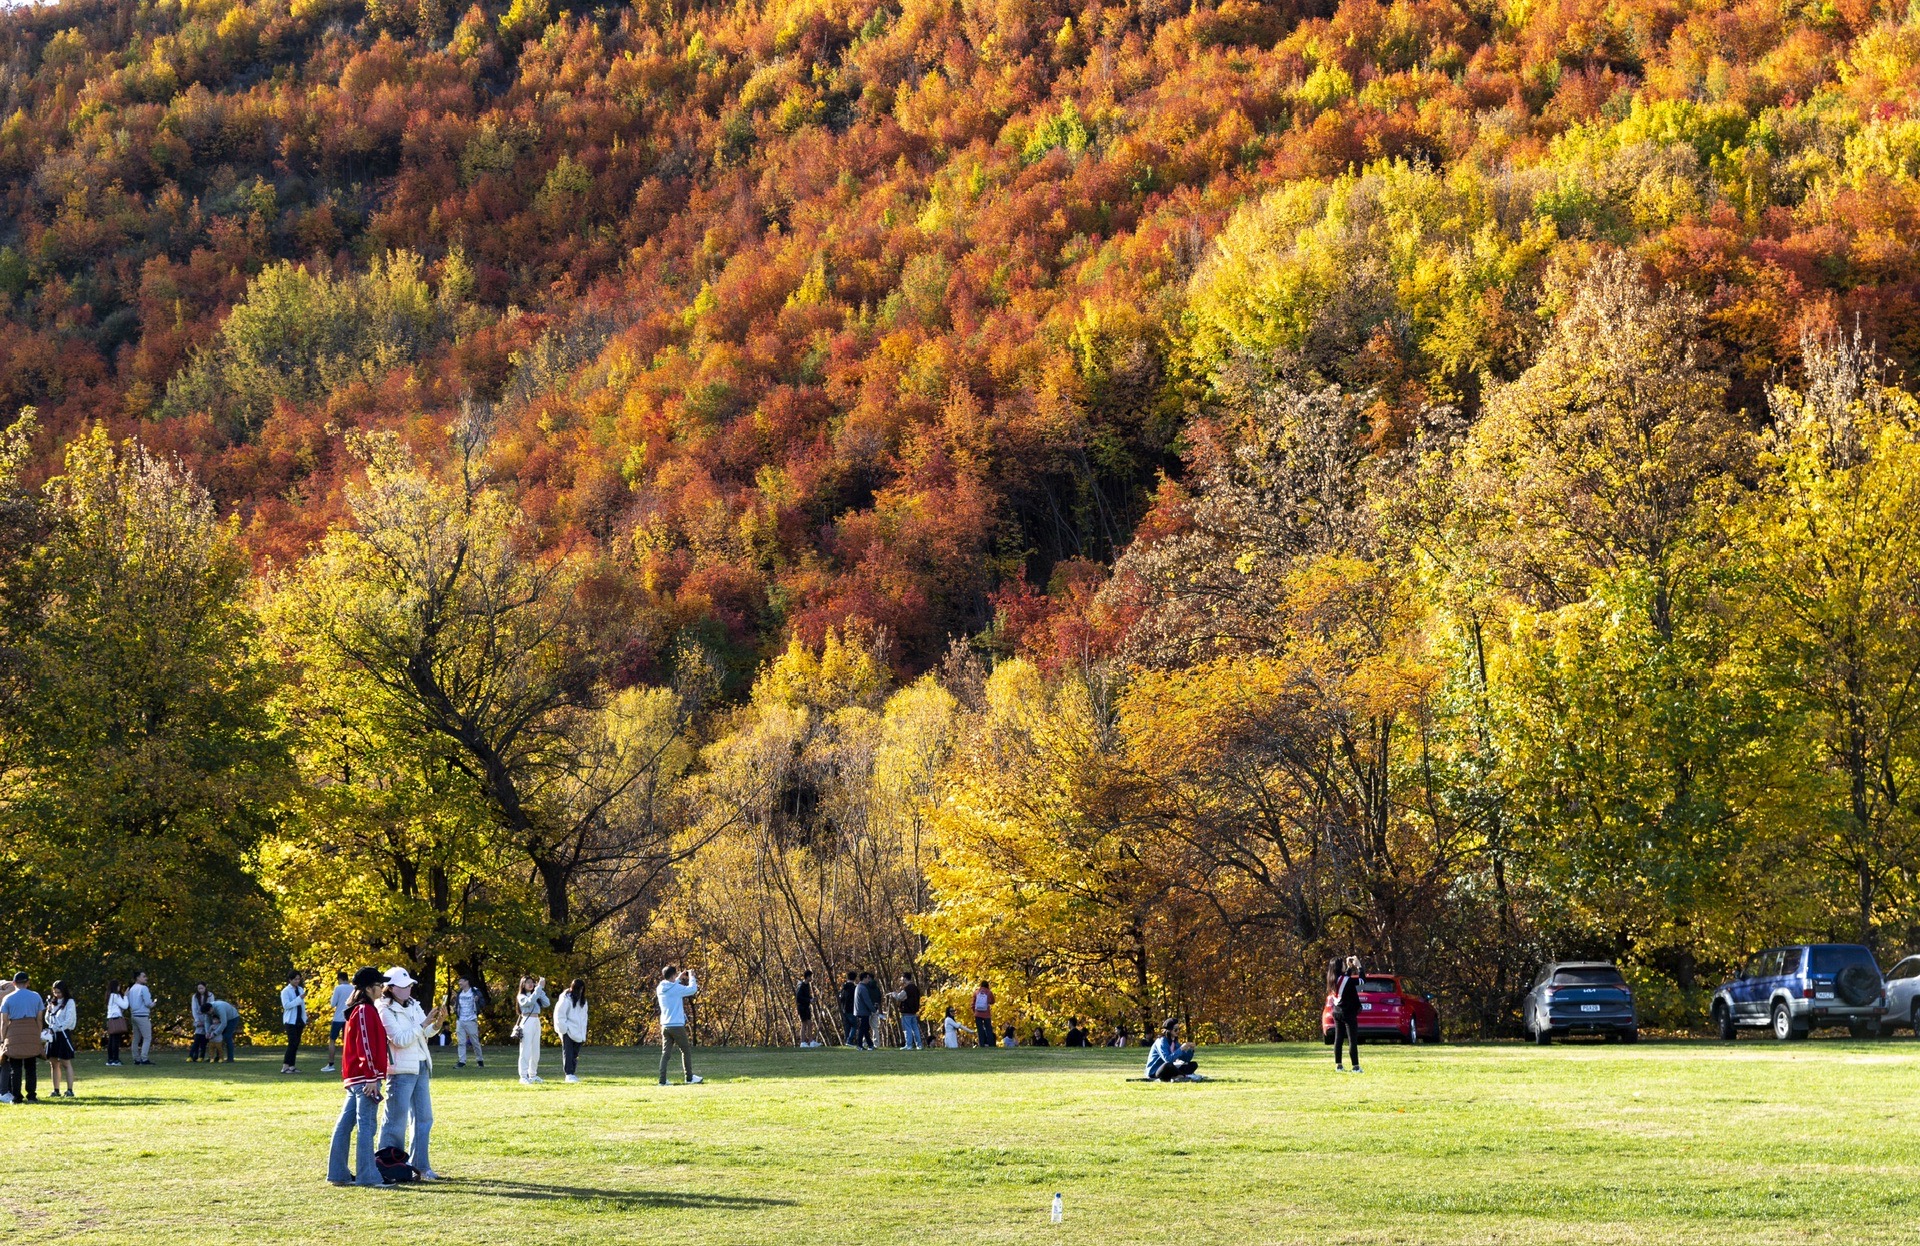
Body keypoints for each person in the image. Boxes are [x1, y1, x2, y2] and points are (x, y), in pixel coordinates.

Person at [376, 967, 443, 1181]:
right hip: (401, 1070)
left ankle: (421, 1167)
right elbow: (400, 1039)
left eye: (410, 985)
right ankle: (388, 1167)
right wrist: (423, 1024)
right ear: (392, 988)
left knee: (424, 1118)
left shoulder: (414, 1005)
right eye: (405, 986)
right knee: (395, 1120)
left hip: (421, 1065)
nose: (409, 989)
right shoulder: (384, 1009)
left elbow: (424, 1033)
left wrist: (437, 1024)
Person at [328, 967, 389, 1187]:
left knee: (345, 1124)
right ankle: (368, 1176)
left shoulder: (363, 1009)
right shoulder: (364, 1010)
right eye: (379, 984)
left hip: (359, 1077)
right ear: (368, 988)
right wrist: (372, 1076)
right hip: (364, 1078)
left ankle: (338, 1173)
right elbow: (365, 1045)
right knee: (367, 1126)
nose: (382, 987)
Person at [1, 972, 45, 1103]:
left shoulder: (8, 998)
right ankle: (31, 1095)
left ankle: (17, 1097)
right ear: (28, 982)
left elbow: (4, 1022)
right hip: (31, 1030)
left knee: (16, 1067)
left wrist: (3, 1039)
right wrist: (37, 1035)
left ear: (14, 983)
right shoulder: (36, 996)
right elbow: (39, 1019)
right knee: (31, 1067)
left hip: (14, 1033)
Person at [655, 964, 700, 1085]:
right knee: (685, 1051)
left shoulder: (660, 987)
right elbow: (692, 989)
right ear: (673, 975)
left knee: (665, 1054)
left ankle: (662, 1080)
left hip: (665, 1025)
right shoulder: (676, 988)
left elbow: (671, 986)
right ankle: (689, 1078)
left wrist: (678, 978)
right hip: (676, 1025)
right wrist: (692, 977)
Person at [44, 980, 77, 1098]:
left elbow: (68, 1021)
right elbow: (48, 1019)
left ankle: (69, 1090)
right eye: (55, 992)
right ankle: (56, 1090)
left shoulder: (70, 1002)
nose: (57, 995)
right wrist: (48, 1011)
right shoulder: (53, 1002)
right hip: (52, 1035)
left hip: (63, 1034)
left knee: (65, 1062)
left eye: (59, 992)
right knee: (53, 1063)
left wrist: (56, 1029)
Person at [514, 975, 549, 1085]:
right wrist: (538, 989)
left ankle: (532, 1074)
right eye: (528, 982)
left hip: (536, 1021)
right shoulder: (521, 996)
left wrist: (540, 989)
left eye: (532, 982)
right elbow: (529, 1002)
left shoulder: (536, 993)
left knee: (535, 1050)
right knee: (525, 1049)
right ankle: (523, 1076)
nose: (530, 984)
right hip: (527, 1020)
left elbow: (547, 1003)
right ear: (523, 984)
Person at [1332, 955, 1364, 1074]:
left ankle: (1338, 1065)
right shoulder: (1346, 980)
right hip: (1348, 1012)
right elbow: (1362, 981)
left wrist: (1349, 969)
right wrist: (1359, 967)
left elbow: (1344, 981)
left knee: (1338, 1039)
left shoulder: (1332, 978)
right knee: (1352, 1040)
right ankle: (1355, 1066)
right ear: (1340, 966)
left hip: (1336, 1011)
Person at [553, 978, 588, 1083]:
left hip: (578, 1031)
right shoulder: (565, 999)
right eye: (579, 989)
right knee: (568, 1053)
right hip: (568, 1030)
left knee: (575, 1054)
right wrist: (563, 1029)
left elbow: (584, 1016)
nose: (580, 991)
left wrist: (583, 1030)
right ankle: (568, 1074)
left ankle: (572, 1073)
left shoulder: (583, 1001)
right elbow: (559, 1015)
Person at [451, 975, 485, 1068]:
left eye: (461, 981)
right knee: (461, 1042)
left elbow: (483, 1003)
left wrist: (477, 1001)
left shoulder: (474, 992)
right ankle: (462, 1061)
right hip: (460, 1020)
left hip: (471, 1020)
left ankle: (480, 1061)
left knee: (475, 1042)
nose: (459, 983)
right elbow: (457, 1006)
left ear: (467, 982)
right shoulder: (459, 994)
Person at [323, 971, 352, 1073]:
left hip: (338, 1018)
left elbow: (332, 1004)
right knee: (347, 1042)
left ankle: (331, 1064)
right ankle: (347, 1065)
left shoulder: (338, 988)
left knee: (332, 1040)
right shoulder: (353, 988)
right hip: (349, 1018)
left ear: (339, 979)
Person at [281, 971, 308, 1073]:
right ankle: (285, 1066)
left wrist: (304, 1018)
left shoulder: (300, 989)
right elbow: (287, 1005)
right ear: (290, 980)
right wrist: (299, 998)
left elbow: (302, 1006)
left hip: (299, 1020)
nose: (297, 981)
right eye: (295, 979)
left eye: (298, 979)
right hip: (290, 1021)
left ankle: (292, 1066)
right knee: (292, 1043)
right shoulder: (285, 991)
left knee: (296, 1044)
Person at [888, 972, 924, 1050]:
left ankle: (909, 1045)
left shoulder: (907, 988)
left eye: (902, 977)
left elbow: (900, 997)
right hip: (913, 1011)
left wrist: (893, 994)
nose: (901, 979)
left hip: (906, 1011)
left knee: (907, 1029)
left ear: (904, 978)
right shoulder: (915, 988)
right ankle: (919, 1045)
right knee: (915, 1028)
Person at [127, 971, 154, 1065]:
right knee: (147, 1037)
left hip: (133, 1015)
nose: (146, 978)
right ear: (138, 978)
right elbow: (147, 1003)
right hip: (142, 1015)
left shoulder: (132, 989)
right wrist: (153, 1004)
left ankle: (136, 1058)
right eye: (144, 976)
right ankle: (144, 1058)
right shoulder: (143, 988)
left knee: (136, 1038)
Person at [208, 994, 241, 1063]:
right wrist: (208, 1032)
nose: (209, 1014)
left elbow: (224, 1023)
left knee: (227, 1036)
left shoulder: (220, 1008)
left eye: (209, 1012)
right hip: (223, 1020)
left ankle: (230, 1058)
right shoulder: (207, 1009)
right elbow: (206, 1021)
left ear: (211, 1009)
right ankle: (218, 1057)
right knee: (218, 1038)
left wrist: (214, 1033)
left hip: (232, 1018)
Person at [852, 972, 879, 1050]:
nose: (869, 979)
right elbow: (867, 1001)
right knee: (862, 1029)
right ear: (864, 978)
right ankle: (859, 1045)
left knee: (865, 1029)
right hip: (863, 1012)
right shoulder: (863, 988)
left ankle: (870, 1045)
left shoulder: (858, 986)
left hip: (859, 1011)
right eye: (867, 978)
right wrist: (874, 1010)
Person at [104, 981, 128, 1067]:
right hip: (116, 1019)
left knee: (111, 1040)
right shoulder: (115, 995)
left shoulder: (109, 996)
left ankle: (110, 1059)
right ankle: (115, 1059)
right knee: (115, 1040)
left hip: (110, 1019)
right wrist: (125, 996)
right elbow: (125, 1005)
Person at [189, 983, 212, 1062]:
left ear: (205, 988)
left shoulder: (210, 995)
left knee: (205, 1039)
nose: (200, 990)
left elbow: (211, 1007)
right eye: (199, 988)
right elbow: (194, 1009)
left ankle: (202, 1056)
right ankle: (193, 1055)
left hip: (207, 1017)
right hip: (198, 1018)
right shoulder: (195, 997)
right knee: (197, 1038)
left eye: (202, 988)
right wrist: (197, 1020)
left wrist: (207, 1021)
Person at [794, 969, 816, 1047]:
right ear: (807, 977)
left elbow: (806, 995)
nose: (811, 978)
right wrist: (808, 1000)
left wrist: (811, 999)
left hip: (806, 1007)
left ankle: (811, 1041)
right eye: (811, 977)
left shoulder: (807, 985)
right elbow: (799, 998)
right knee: (804, 1024)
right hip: (802, 1007)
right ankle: (802, 1042)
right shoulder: (801, 985)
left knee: (810, 1023)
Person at [837, 971, 858, 1048]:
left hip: (843, 1009)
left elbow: (840, 998)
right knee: (855, 1025)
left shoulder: (843, 988)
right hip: (851, 1009)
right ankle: (849, 1040)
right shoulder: (854, 988)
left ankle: (847, 1040)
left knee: (847, 1026)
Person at [972, 980, 995, 1048]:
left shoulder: (976, 992)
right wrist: (988, 1002)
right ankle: (991, 1044)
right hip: (986, 1014)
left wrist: (975, 1011)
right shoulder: (989, 992)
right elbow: (993, 1001)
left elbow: (972, 1003)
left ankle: (981, 1044)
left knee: (980, 1030)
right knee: (988, 1029)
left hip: (977, 1014)